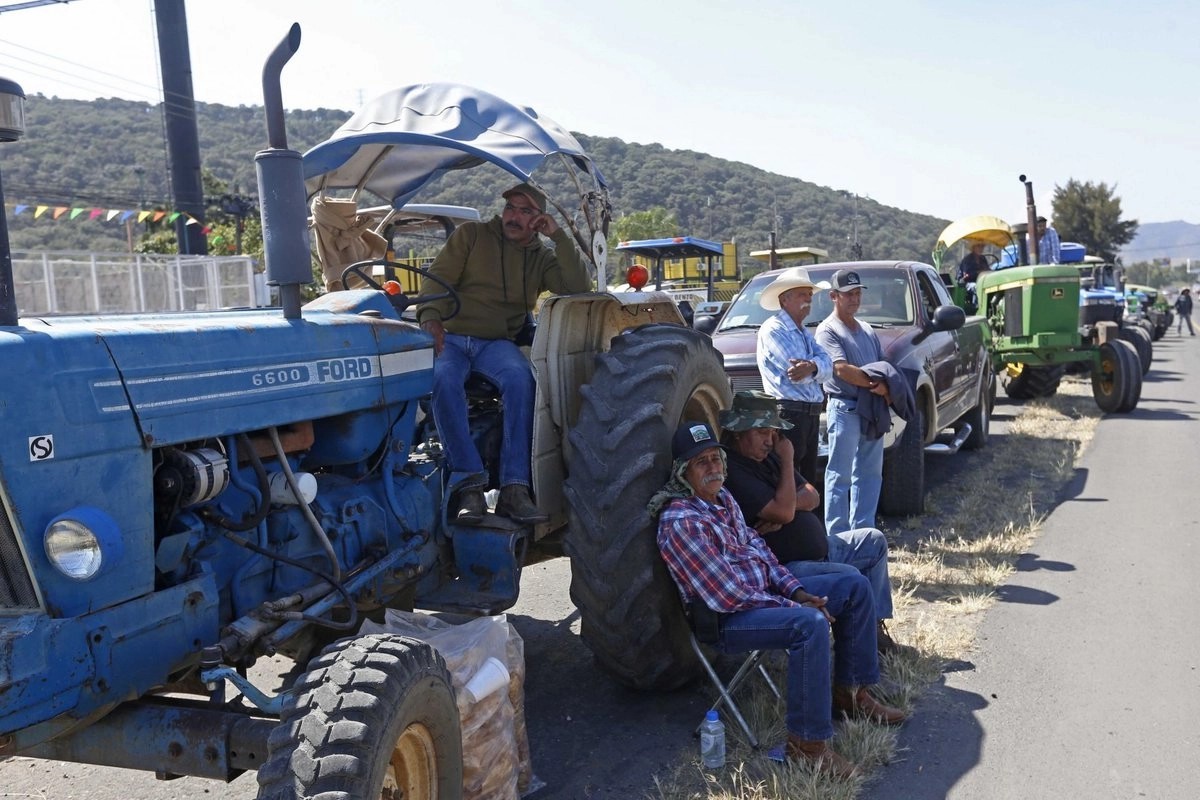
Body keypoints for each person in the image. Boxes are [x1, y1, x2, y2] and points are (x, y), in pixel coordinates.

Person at [651, 420, 905, 778]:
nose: (713, 468)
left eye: (715, 459)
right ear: (682, 473)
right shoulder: (681, 520)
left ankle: (852, 694)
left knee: (855, 588)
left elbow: (763, 555)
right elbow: (729, 594)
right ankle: (806, 746)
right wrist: (793, 606)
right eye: (701, 462)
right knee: (809, 625)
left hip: (759, 598)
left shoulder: (722, 499)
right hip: (725, 619)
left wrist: (797, 591)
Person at [416, 183, 591, 524]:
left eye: (526, 211)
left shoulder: (541, 257)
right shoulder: (472, 237)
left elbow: (577, 287)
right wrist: (430, 317)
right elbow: (438, 279)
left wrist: (559, 237)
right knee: (441, 378)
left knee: (521, 379)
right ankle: (468, 485)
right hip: (452, 337)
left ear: (539, 220)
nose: (514, 216)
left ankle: (514, 488)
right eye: (511, 207)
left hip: (495, 343)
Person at [719, 391, 904, 653]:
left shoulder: (768, 458)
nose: (770, 441)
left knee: (873, 540)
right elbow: (783, 513)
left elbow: (813, 496)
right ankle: (855, 655)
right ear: (738, 431)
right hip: (788, 569)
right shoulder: (735, 470)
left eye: (773, 433)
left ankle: (873, 627)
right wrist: (788, 463)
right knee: (851, 578)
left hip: (822, 551)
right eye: (762, 432)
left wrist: (787, 507)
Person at [815, 269, 889, 535]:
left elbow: (881, 364)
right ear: (833, 296)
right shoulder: (827, 330)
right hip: (845, 408)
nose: (855, 299)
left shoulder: (867, 329)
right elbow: (841, 370)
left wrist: (884, 386)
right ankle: (838, 538)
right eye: (848, 294)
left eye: (857, 293)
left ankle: (864, 534)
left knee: (870, 474)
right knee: (839, 475)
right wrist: (876, 386)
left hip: (871, 408)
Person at [756, 268, 833, 484]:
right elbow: (796, 373)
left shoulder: (803, 332)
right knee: (789, 479)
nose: (808, 299)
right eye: (802, 294)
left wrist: (813, 367)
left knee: (805, 479)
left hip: (808, 415)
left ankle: (804, 517)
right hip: (789, 413)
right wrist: (817, 368)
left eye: (809, 294)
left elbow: (828, 366)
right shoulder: (773, 329)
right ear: (784, 300)